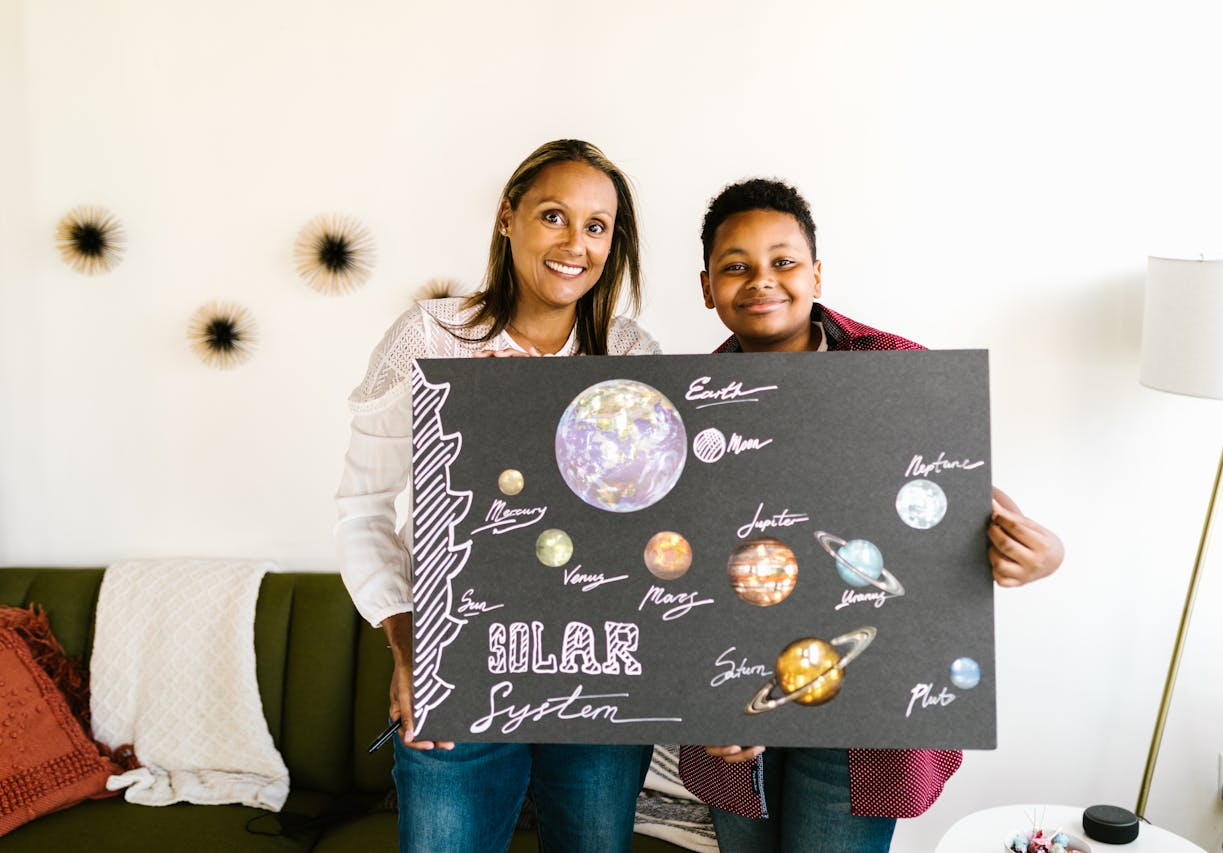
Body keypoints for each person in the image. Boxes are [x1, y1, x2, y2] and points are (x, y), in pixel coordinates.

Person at [678, 178, 1065, 853]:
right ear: (707, 286)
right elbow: (671, 570)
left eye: (783, 261)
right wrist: (705, 698)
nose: (760, 280)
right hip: (738, 703)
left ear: (817, 274)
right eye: (735, 265)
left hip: (863, 715)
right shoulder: (686, 403)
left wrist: (1044, 552)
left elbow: (953, 499)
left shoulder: (897, 371)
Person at [335, 139, 660, 853]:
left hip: (599, 683)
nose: (576, 243)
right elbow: (363, 508)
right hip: (462, 673)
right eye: (554, 215)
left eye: (597, 226)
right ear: (507, 217)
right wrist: (408, 642)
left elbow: (659, 527)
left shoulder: (634, 358)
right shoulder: (430, 336)